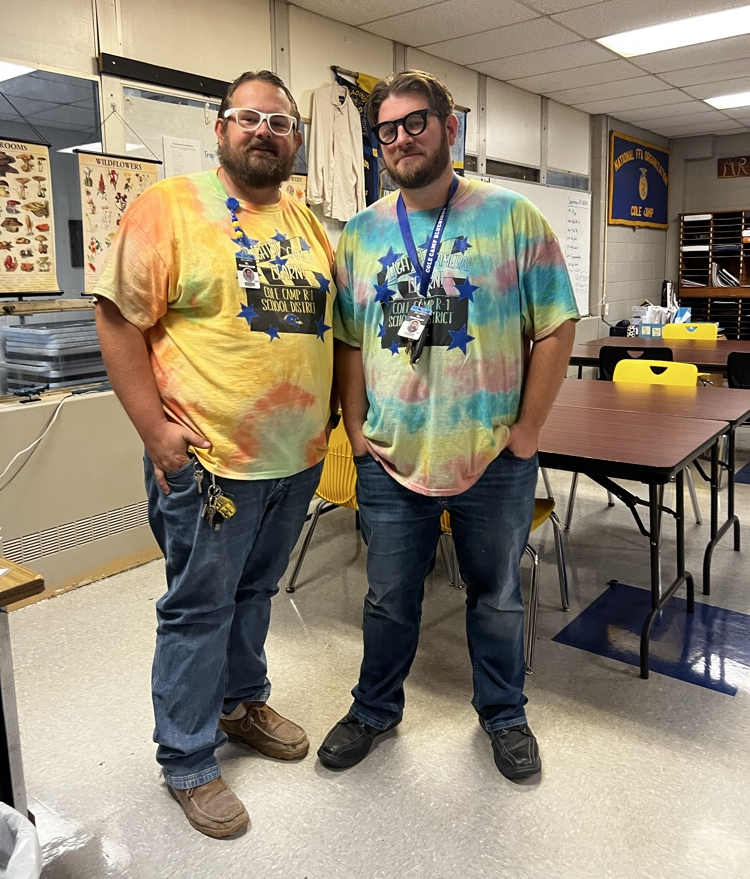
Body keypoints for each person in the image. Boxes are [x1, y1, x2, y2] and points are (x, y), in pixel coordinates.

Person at [94, 70, 337, 838]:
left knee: (254, 595)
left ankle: (238, 705)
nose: (265, 131)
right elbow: (118, 319)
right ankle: (188, 760)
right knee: (198, 609)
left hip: (294, 460)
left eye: (280, 121)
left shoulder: (305, 220)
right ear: (220, 128)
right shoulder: (169, 208)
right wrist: (154, 432)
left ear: (295, 138)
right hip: (208, 462)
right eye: (249, 118)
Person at [318, 70, 578, 781]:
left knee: (494, 598)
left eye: (416, 122)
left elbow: (559, 324)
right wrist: (351, 418)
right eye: (388, 130)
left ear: (448, 127)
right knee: (387, 597)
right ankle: (374, 709)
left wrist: (528, 429)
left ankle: (503, 713)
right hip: (393, 458)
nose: (402, 139)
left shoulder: (512, 217)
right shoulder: (364, 233)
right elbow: (346, 336)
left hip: (492, 458)